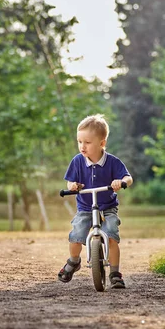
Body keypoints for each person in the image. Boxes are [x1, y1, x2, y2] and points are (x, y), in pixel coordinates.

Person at [58, 114, 133, 289]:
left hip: (107, 207)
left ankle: (115, 273)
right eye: (79, 141)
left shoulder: (112, 162)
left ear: (102, 143)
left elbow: (128, 178)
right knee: (76, 234)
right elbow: (69, 181)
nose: (82, 146)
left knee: (112, 235)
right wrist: (73, 185)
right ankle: (74, 261)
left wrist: (120, 182)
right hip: (85, 207)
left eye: (87, 142)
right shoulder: (77, 161)